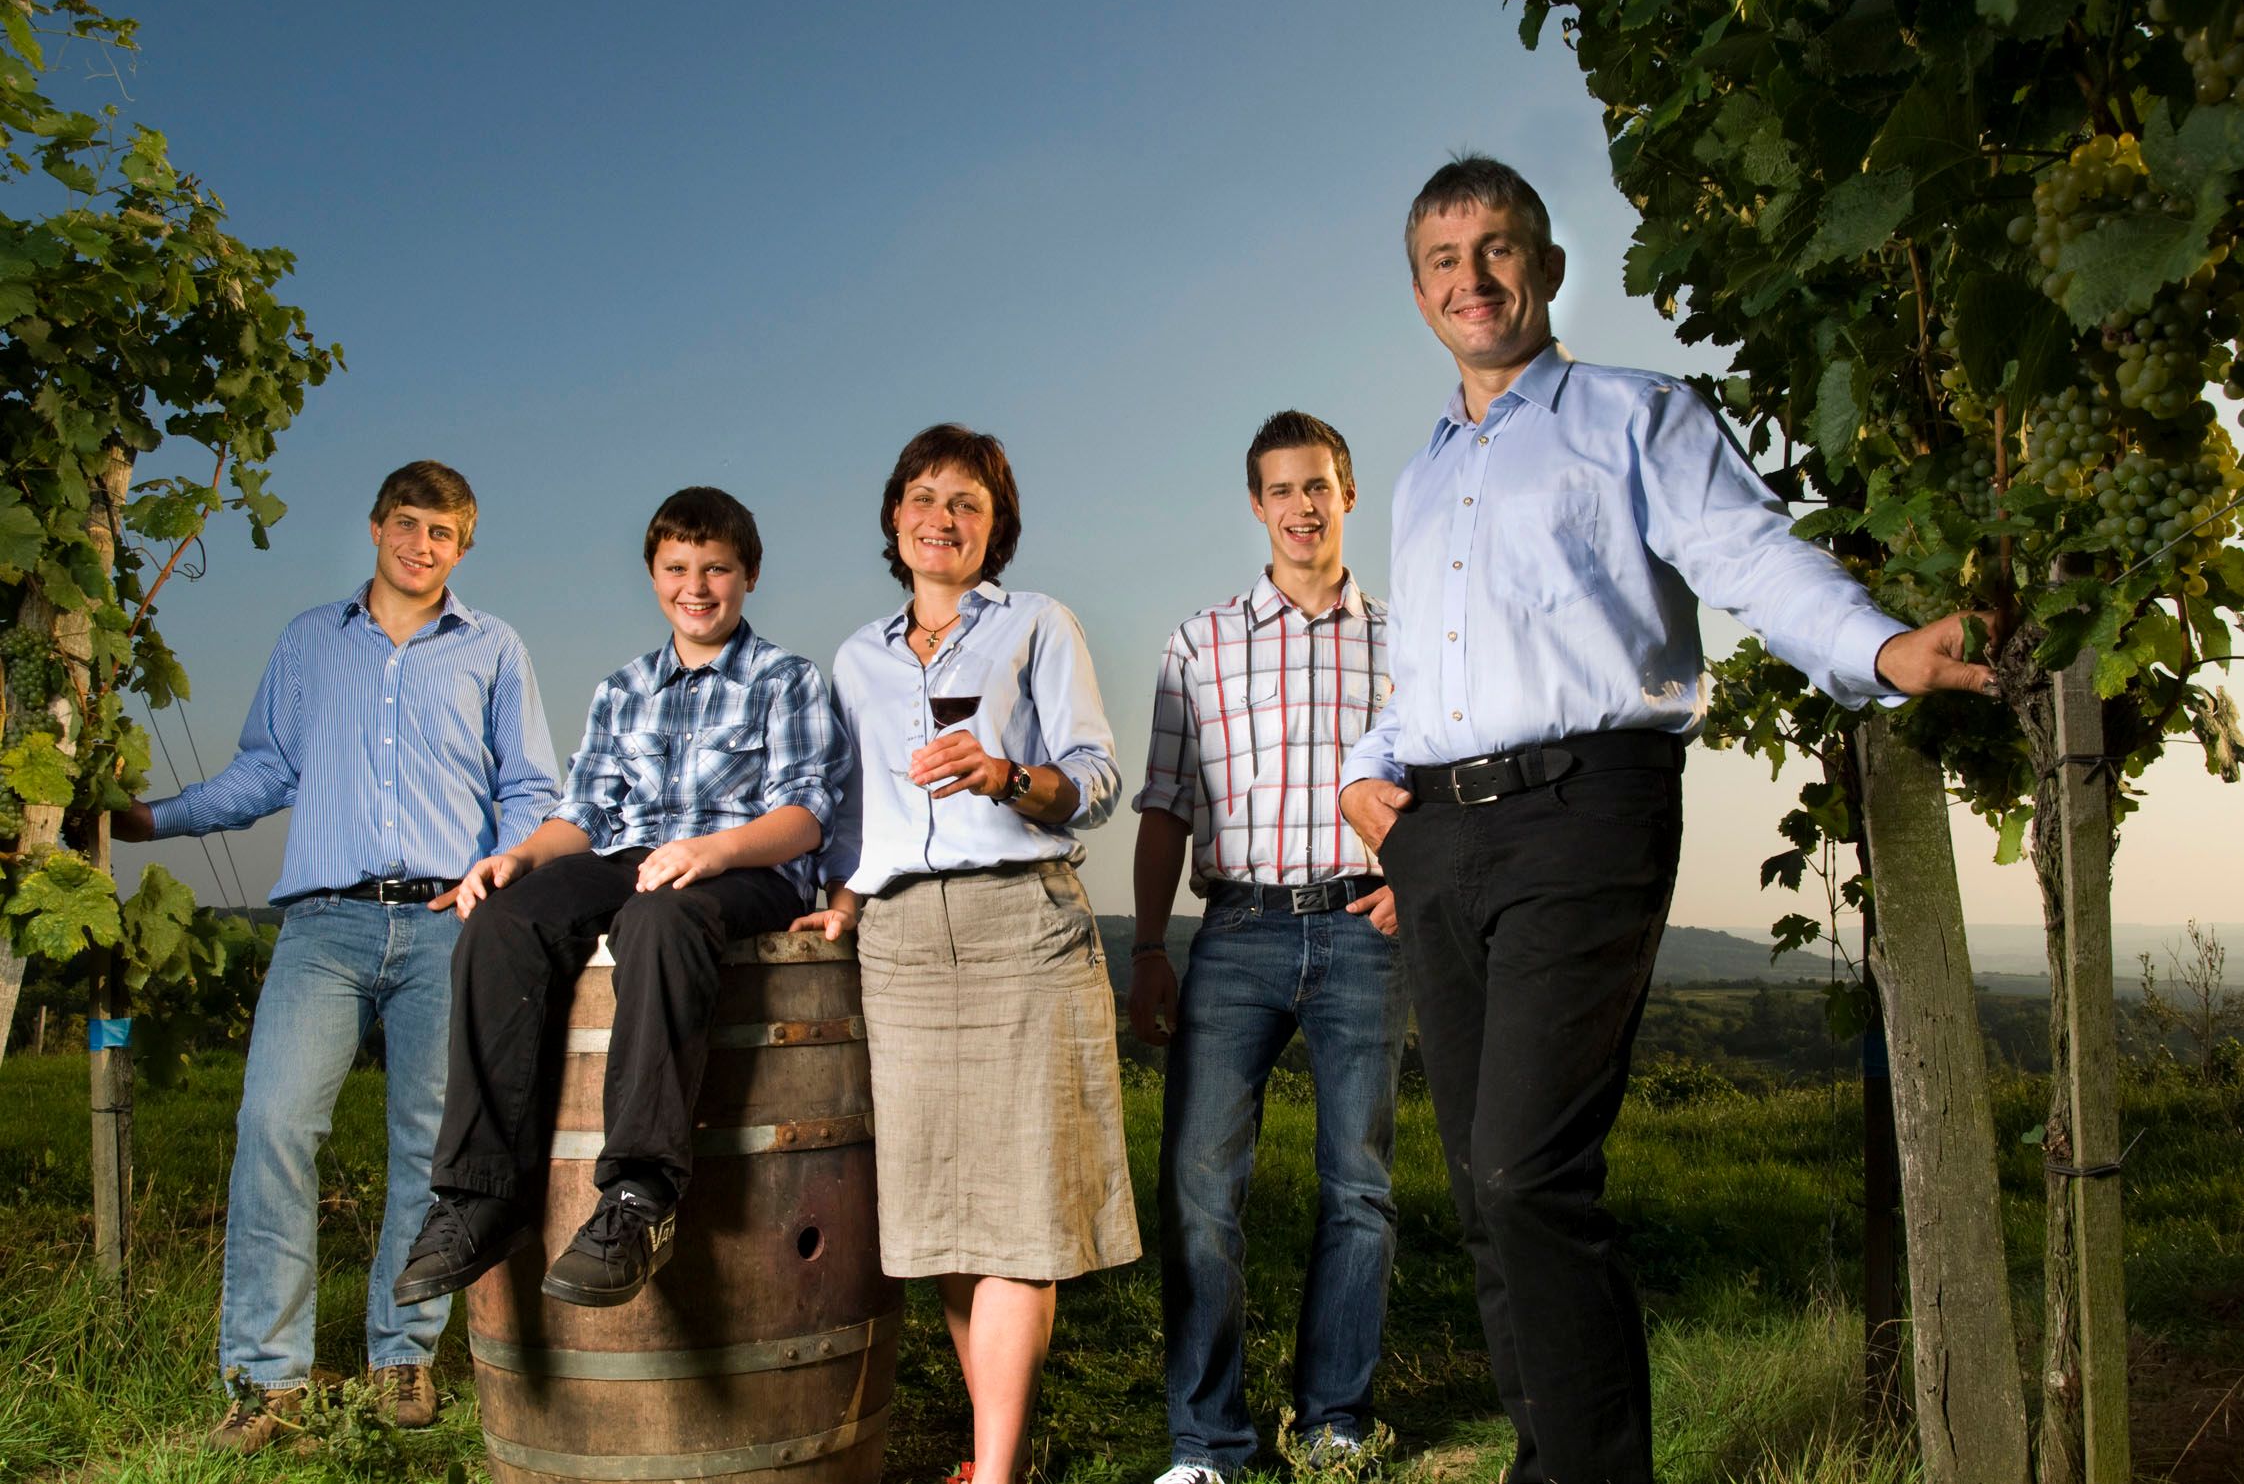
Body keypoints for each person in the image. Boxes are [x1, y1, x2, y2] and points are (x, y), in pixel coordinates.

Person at [1336, 155, 1999, 1484]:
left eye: (1499, 247)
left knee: (1529, 1170)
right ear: (1417, 293)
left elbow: (1748, 551)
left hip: (1589, 807)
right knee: (1480, 1188)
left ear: (1549, 264)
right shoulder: (1416, 482)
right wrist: (1370, 771)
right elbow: (1430, 667)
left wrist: (1878, 649)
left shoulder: (1636, 415)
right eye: (1444, 262)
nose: (1474, 280)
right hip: (1441, 834)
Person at [112, 461, 562, 1452]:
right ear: (375, 527)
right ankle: (267, 1375)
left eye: (443, 533)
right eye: (408, 524)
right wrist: (151, 819)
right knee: (274, 1121)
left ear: (463, 547)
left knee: (429, 1149)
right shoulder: (312, 641)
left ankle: (401, 1349)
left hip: (449, 922)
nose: (422, 545)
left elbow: (532, 783)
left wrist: (504, 868)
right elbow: (264, 769)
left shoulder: (493, 649)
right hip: (323, 924)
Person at [390, 486, 848, 1311]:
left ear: (748, 576)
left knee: (660, 920)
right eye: (678, 568)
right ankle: (481, 1196)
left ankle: (640, 1196)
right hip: (634, 854)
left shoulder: (788, 680)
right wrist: (517, 857)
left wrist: (712, 851)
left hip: (743, 863)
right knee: (501, 920)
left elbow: (806, 814)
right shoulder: (623, 688)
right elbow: (586, 814)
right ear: (652, 574)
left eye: (716, 569)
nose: (696, 587)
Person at [793, 423, 1139, 1484]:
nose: (942, 517)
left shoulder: (1036, 624)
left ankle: (991, 1472)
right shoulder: (855, 656)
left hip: (1019, 926)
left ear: (997, 529)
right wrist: (843, 897)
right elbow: (857, 808)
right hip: (900, 942)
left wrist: (1003, 775)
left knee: (1017, 1213)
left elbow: (1096, 773)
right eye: (925, 496)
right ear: (895, 515)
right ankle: (1006, 1452)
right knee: (945, 1211)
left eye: (968, 503)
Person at [1128, 410, 1407, 1483]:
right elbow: (1163, 806)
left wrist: (1411, 877)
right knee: (1199, 1186)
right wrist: (1150, 944)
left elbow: (1437, 780)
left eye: (1320, 486)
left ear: (1348, 495)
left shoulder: (1406, 639)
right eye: (1281, 489)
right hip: (1235, 930)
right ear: (1257, 504)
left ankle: (1334, 1421)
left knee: (1360, 1184)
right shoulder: (1198, 642)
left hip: (1360, 927)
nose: (1301, 506)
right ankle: (1209, 1443)